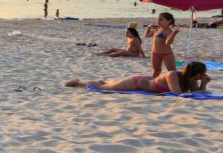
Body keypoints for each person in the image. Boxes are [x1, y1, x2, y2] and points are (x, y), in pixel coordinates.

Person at [66, 61, 209, 95]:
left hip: (146, 82)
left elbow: (197, 93)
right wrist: (198, 87)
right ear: (196, 73)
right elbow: (178, 94)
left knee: (111, 84)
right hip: (137, 83)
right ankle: (79, 82)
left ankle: (106, 80)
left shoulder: (190, 80)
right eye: (201, 74)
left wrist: (203, 84)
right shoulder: (173, 75)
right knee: (104, 88)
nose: (202, 76)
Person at [145, 12, 179, 78]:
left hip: (167, 54)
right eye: (157, 19)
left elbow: (168, 43)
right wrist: (148, 27)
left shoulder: (168, 31)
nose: (158, 21)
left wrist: (173, 34)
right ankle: (154, 84)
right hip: (155, 53)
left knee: (172, 71)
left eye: (160, 20)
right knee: (156, 71)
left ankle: (177, 84)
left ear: (169, 21)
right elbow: (147, 35)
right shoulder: (157, 29)